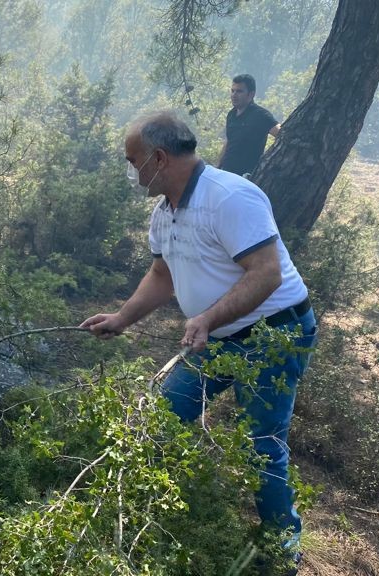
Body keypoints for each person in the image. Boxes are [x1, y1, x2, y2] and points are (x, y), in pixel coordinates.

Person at [81, 111, 316, 571]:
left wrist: (207, 317)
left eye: (134, 161)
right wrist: (122, 318)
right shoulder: (164, 212)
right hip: (220, 337)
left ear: (160, 157)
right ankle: (146, 515)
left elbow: (266, 274)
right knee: (161, 418)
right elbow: (161, 274)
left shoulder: (230, 197)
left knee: (260, 443)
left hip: (276, 334)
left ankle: (281, 549)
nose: (132, 171)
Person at [218, 74, 280, 177]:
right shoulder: (231, 115)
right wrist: (218, 167)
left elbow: (282, 134)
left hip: (245, 177)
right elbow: (229, 141)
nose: (234, 95)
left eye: (239, 91)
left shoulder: (260, 115)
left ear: (251, 94)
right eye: (232, 91)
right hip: (226, 174)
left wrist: (269, 160)